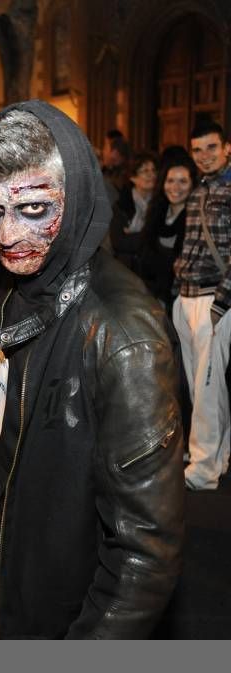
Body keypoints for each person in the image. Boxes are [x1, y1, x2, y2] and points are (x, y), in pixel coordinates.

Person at [0, 100, 184, 639]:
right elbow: (9, 337)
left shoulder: (124, 337)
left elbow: (146, 551)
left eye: (33, 209)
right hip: (3, 554)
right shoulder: (32, 274)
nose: (7, 235)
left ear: (75, 194)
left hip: (66, 604)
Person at [172, 120, 231, 491]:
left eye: (211, 147)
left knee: (207, 388)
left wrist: (222, 301)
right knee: (201, 389)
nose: (204, 156)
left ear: (227, 148)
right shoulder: (198, 191)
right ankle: (218, 455)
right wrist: (179, 287)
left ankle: (203, 469)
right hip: (187, 296)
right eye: (198, 150)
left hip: (214, 299)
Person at [139, 154, 198, 311]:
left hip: (181, 305)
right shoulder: (156, 213)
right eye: (170, 180)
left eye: (183, 181)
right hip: (149, 299)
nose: (175, 187)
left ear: (193, 185)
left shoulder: (196, 220)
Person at [109, 151, 158, 274]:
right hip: (126, 269)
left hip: (153, 269)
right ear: (133, 177)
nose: (151, 175)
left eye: (153, 170)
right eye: (145, 171)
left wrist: (133, 235)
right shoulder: (122, 205)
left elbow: (159, 240)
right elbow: (119, 242)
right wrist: (146, 235)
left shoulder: (160, 204)